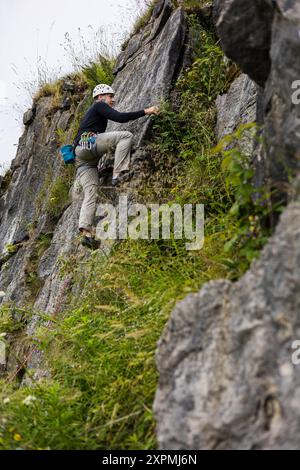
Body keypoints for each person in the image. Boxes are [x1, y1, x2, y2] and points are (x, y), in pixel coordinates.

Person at [73, 83, 159, 250]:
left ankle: (86, 232)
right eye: (110, 96)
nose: (113, 99)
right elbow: (120, 118)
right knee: (125, 136)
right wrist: (146, 111)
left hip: (82, 157)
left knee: (90, 192)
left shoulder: (94, 114)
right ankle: (118, 174)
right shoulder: (99, 105)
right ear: (100, 97)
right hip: (89, 145)